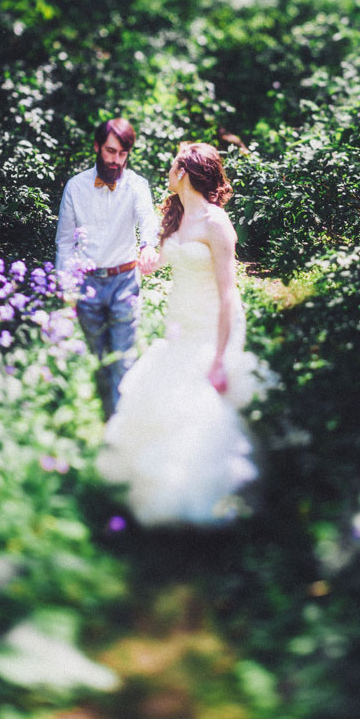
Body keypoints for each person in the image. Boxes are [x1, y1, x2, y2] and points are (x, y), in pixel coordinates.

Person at [99, 142, 267, 527]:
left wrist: (222, 358)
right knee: (167, 399)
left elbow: (228, 292)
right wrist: (148, 260)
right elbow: (157, 263)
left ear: (187, 172)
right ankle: (166, 494)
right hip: (180, 323)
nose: (169, 171)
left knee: (201, 406)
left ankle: (207, 500)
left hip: (213, 323)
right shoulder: (176, 218)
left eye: (174, 165)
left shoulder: (215, 222)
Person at [55, 117, 158, 416]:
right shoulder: (75, 187)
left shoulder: (136, 184)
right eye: (111, 152)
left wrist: (148, 245)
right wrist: (66, 285)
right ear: (98, 147)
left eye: (123, 154)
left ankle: (120, 432)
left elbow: (147, 218)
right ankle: (106, 417)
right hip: (86, 285)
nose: (116, 160)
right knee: (101, 360)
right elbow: (64, 242)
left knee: (123, 360)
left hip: (125, 281)